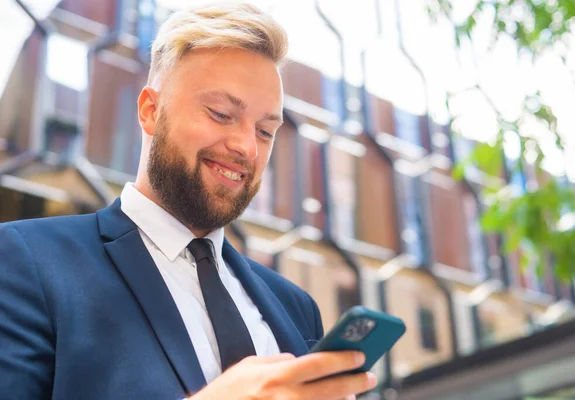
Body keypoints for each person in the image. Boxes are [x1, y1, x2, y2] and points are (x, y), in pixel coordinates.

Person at [0, 2, 378, 399]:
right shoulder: (26, 261)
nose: (247, 147)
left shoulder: (297, 307)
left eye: (266, 132)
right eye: (220, 114)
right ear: (150, 110)